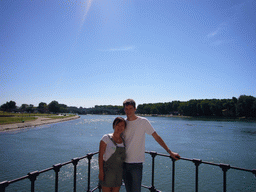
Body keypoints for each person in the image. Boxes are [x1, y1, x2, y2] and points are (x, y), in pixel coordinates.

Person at [122, 99, 180, 192]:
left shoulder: (143, 121)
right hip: (123, 163)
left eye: (130, 108)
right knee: (128, 190)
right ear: (124, 109)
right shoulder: (122, 123)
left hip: (136, 163)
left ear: (135, 109)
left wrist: (169, 151)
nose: (128, 111)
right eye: (126, 109)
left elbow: (156, 137)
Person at [98, 117, 127, 192]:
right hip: (107, 172)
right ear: (114, 126)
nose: (120, 127)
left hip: (119, 173)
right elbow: (100, 156)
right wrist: (101, 172)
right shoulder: (106, 138)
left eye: (122, 125)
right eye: (118, 125)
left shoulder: (124, 141)